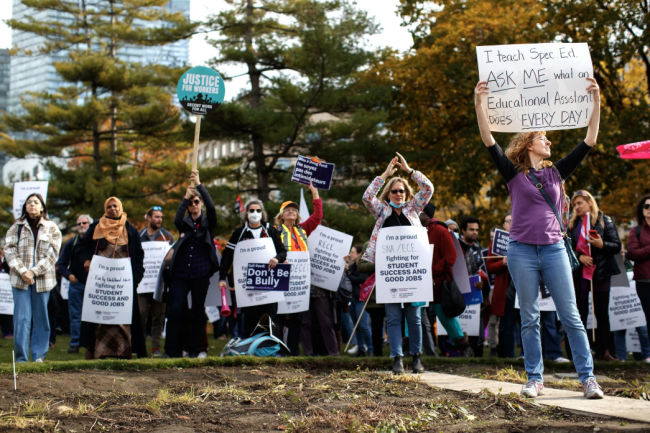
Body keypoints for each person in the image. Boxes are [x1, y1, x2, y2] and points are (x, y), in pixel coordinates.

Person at [475, 76, 604, 398]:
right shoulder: (512, 173)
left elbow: (589, 139)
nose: (549, 142)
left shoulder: (557, 172)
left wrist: (596, 101)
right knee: (529, 316)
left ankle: (588, 378)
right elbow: (488, 138)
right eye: (543, 138)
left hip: (553, 250)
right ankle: (534, 378)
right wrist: (479, 103)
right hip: (520, 251)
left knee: (571, 316)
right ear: (528, 144)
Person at [361, 152, 433, 373]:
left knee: (415, 317)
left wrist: (409, 171)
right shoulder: (381, 211)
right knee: (392, 317)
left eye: (402, 190)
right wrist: (385, 175)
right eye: (394, 191)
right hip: (390, 273)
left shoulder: (414, 209)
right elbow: (366, 197)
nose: (399, 194)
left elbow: (428, 188)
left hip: (412, 273)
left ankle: (416, 357)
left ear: (407, 192)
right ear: (388, 194)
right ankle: (397, 358)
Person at [79, 197, 146, 359]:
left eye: (115, 206)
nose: (112, 209)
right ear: (105, 209)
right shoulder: (96, 226)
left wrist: (135, 279)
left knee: (122, 318)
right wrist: (87, 260)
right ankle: (99, 352)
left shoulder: (130, 229)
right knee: (100, 317)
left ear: (120, 207)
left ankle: (122, 353)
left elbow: (139, 255)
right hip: (101, 284)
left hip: (122, 285)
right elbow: (83, 245)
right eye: (109, 206)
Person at [164, 170, 218, 358]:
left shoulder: (207, 224)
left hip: (200, 274)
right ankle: (171, 351)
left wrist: (199, 185)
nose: (193, 205)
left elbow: (211, 209)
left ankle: (195, 351)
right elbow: (176, 219)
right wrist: (184, 198)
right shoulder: (184, 224)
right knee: (175, 311)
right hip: (180, 274)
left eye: (196, 202)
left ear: (200, 203)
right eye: (190, 202)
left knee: (197, 313)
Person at [4, 194, 62, 363]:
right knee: (22, 318)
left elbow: (53, 255)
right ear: (25, 207)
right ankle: (21, 358)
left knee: (41, 318)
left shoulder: (52, 227)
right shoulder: (17, 227)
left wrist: (34, 272)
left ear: (42, 207)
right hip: (20, 281)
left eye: (36, 202)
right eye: (29, 202)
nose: (32, 205)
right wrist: (23, 272)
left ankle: (38, 357)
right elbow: (9, 250)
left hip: (43, 281)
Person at [218, 199, 287, 338]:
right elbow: (227, 256)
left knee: (270, 317)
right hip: (248, 285)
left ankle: (271, 350)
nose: (255, 213)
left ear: (263, 213)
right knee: (250, 318)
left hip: (269, 282)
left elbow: (282, 251)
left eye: (258, 210)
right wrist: (222, 277)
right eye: (251, 210)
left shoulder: (270, 230)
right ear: (246, 213)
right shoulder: (239, 232)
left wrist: (277, 259)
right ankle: (252, 352)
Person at [272, 183, 327, 356]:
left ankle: (293, 351)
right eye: (287, 209)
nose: (291, 211)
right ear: (281, 215)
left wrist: (315, 192)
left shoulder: (303, 229)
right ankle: (280, 351)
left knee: (297, 317)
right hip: (281, 277)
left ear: (297, 216)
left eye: (294, 210)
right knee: (280, 317)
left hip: (299, 281)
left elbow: (318, 216)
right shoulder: (274, 230)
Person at [568, 190, 621, 361]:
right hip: (580, 273)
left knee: (601, 313)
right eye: (574, 205)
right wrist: (579, 257)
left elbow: (616, 245)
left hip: (601, 272)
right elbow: (565, 249)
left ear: (589, 202)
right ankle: (579, 352)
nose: (576, 207)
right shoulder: (572, 224)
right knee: (579, 312)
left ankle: (604, 350)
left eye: (580, 203)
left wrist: (600, 244)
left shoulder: (604, 221)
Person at [420, 203, 470, 357]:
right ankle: (411, 349)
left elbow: (451, 257)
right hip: (419, 283)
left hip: (439, 285)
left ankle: (463, 348)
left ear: (427, 215)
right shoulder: (416, 231)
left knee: (446, 317)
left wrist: (431, 270)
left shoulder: (441, 231)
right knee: (413, 314)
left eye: (419, 211)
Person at [138, 206, 174, 358]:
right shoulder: (139, 236)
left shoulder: (167, 237)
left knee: (158, 316)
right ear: (148, 218)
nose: (159, 220)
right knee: (139, 314)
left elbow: (172, 257)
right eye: (156, 217)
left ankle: (155, 348)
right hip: (142, 284)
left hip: (159, 284)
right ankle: (139, 348)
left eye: (161, 217)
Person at [56, 214, 93, 354]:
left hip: (94, 285)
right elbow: (61, 264)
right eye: (79, 224)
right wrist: (69, 275)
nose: (81, 225)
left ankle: (92, 343)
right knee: (75, 315)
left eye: (84, 223)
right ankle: (75, 343)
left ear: (90, 225)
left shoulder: (96, 243)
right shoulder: (72, 242)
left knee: (93, 315)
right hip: (76, 284)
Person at [487, 213, 517, 358]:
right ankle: (506, 356)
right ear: (504, 225)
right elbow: (490, 266)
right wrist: (503, 262)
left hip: (521, 287)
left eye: (514, 220)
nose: (512, 223)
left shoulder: (525, 240)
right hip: (505, 289)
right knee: (505, 324)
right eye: (508, 221)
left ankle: (523, 354)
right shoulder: (497, 242)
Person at [459, 216, 490, 357]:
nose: (475, 233)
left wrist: (482, 283)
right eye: (471, 230)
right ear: (463, 230)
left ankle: (477, 354)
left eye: (477, 230)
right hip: (458, 294)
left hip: (476, 296)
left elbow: (484, 273)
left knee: (476, 327)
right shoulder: (456, 247)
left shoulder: (480, 250)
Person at [627, 194, 650, 363]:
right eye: (647, 206)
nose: (649, 209)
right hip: (644, 281)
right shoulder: (636, 231)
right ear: (642, 211)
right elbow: (632, 253)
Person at [345, 245, 371, 356]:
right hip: (353, 298)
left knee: (364, 325)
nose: (351, 254)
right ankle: (361, 348)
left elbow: (361, 279)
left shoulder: (363, 267)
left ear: (360, 254)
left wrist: (349, 274)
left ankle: (370, 349)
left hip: (362, 299)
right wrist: (346, 265)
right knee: (356, 325)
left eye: (353, 252)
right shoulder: (352, 267)